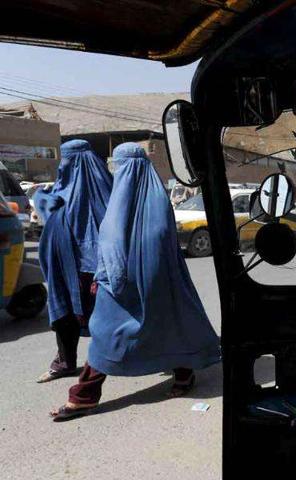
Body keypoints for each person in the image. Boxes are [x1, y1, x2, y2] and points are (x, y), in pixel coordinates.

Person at [50, 143, 221, 421]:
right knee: (169, 324)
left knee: (106, 335)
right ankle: (183, 373)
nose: (120, 173)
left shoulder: (121, 202)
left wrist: (106, 280)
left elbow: (112, 242)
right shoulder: (157, 198)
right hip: (162, 281)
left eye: (121, 167)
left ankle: (84, 396)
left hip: (120, 282)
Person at [35, 139, 112, 383]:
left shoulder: (108, 193)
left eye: (69, 161)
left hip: (98, 270)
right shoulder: (58, 193)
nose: (65, 166)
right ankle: (65, 362)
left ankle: (109, 364)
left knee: (110, 317)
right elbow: (46, 208)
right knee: (65, 313)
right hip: (65, 269)